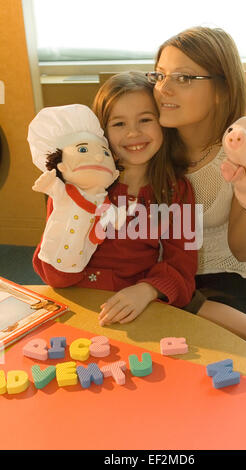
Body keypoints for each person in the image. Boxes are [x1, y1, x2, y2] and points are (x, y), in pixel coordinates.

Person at [149, 26, 246, 383]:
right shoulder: (147, 146)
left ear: (223, 89)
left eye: (183, 78)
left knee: (211, 372)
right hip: (152, 274)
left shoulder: (239, 156)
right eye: (159, 75)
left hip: (219, 278)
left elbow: (244, 249)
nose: (163, 90)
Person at [32, 71, 198, 326]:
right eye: (119, 124)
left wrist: (148, 290)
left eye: (145, 119)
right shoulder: (71, 184)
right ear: (101, 131)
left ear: (162, 122)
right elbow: (54, 276)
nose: (133, 133)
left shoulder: (180, 190)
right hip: (75, 304)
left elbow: (183, 266)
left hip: (139, 308)